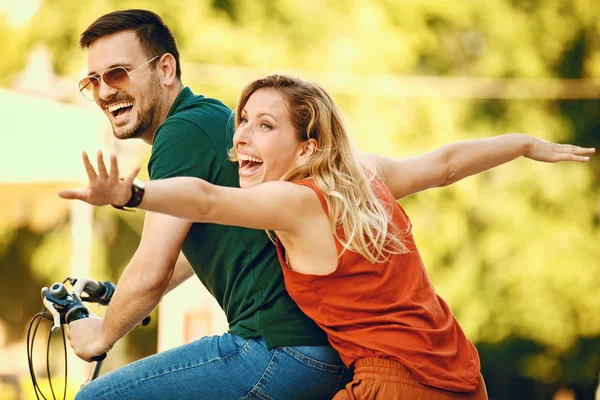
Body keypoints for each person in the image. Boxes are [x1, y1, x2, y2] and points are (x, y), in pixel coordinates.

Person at [59, 73, 595, 399]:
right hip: (458, 374)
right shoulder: (364, 179)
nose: (241, 135)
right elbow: (448, 163)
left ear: (309, 147)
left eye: (265, 126)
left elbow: (206, 200)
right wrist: (523, 143)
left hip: (395, 384)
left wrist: (132, 197)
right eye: (243, 120)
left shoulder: (294, 201)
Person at [70, 9, 351, 400]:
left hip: (275, 351)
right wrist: (122, 301)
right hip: (315, 353)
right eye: (93, 81)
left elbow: (153, 269)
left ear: (165, 69)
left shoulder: (179, 134)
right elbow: (199, 244)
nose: (104, 92)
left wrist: (99, 336)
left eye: (117, 73)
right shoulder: (213, 117)